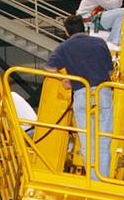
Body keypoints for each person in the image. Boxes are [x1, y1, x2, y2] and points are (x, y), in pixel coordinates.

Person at [48, 15, 115, 179]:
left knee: (87, 143)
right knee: (104, 142)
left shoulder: (64, 47)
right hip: (102, 93)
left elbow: (49, 68)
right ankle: (103, 181)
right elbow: (110, 70)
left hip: (81, 95)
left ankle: (93, 181)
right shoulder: (100, 43)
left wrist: (66, 80)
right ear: (84, 28)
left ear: (66, 32)